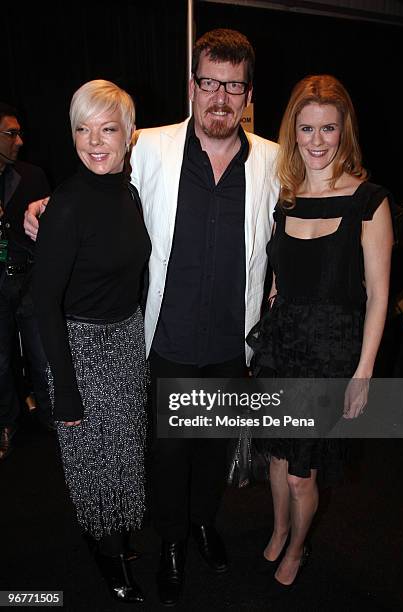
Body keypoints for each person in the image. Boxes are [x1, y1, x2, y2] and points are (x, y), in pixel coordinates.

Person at [24, 29, 280, 606]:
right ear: (192, 86)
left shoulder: (272, 158)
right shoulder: (150, 145)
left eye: (233, 87)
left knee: (212, 446)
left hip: (229, 341)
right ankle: (170, 542)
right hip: (161, 335)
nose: (220, 98)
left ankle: (204, 522)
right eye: (209, 83)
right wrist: (43, 207)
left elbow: (303, 208)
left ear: (247, 94)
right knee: (165, 450)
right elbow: (96, 164)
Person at [247, 74, 393, 587]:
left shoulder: (368, 201)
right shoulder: (286, 197)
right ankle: (280, 527)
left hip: (330, 354)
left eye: (327, 129)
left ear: (344, 130)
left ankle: (298, 547)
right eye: (306, 128)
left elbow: (378, 296)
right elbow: (282, 274)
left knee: (300, 471)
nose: (316, 141)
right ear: (293, 132)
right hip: (282, 346)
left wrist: (364, 373)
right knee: (274, 458)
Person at [31, 80, 151, 603]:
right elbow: (44, 304)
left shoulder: (128, 193)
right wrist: (66, 389)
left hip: (126, 340)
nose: (95, 141)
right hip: (79, 348)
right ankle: (106, 551)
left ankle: (116, 536)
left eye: (107, 129)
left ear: (129, 135)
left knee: (125, 452)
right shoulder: (66, 205)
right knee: (93, 461)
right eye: (83, 129)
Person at [0, 102, 52, 461]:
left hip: (31, 282)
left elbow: (52, 231)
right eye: (11, 133)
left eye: (19, 132)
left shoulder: (33, 175)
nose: (19, 140)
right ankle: (7, 422)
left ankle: (54, 418)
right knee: (0, 360)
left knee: (43, 354)